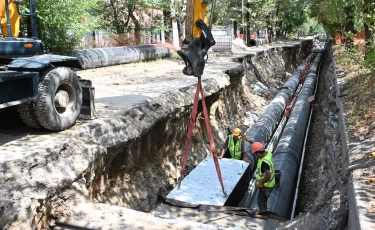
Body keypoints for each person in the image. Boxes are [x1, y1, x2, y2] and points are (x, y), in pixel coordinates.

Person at [252, 142, 275, 212]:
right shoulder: (267, 152)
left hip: (266, 186)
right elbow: (258, 147)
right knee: (263, 200)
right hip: (271, 182)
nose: (255, 156)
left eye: (255, 154)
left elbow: (268, 175)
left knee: (261, 202)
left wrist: (261, 182)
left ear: (258, 153)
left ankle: (264, 214)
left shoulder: (264, 162)